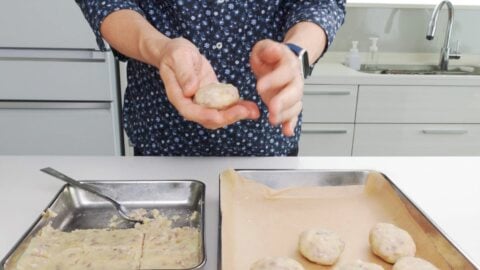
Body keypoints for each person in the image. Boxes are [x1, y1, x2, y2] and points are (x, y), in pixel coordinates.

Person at [75, 0, 346, 156]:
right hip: (161, 140)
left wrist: (296, 52)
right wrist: (159, 49)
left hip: (266, 142)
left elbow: (321, 3)